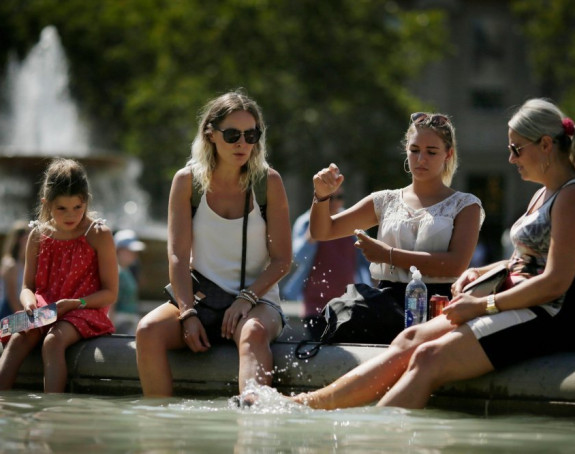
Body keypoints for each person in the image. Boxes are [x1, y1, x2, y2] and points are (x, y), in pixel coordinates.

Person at [291, 98, 575, 410]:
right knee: (409, 341)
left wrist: (483, 304)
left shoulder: (568, 195)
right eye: (414, 150)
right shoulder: (543, 193)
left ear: (546, 144)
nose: (510, 158)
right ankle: (308, 405)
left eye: (516, 148)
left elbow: (556, 281)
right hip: (508, 300)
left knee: (427, 357)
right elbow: (528, 260)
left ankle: (373, 436)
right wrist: (483, 273)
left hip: (545, 313)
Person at [136, 90, 292, 398]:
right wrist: (187, 312)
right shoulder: (186, 182)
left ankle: (253, 428)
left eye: (251, 135)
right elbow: (179, 257)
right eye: (232, 134)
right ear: (211, 134)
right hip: (202, 299)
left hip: (257, 301)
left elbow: (282, 259)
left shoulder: (268, 182)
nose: (242, 144)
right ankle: (160, 431)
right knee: (147, 331)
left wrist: (246, 298)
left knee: (253, 333)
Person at [0, 158, 118, 393]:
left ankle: (51, 410)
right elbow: (27, 287)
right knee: (18, 338)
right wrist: (29, 302)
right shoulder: (37, 235)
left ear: (85, 200)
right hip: (45, 309)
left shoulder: (97, 234)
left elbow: (110, 293)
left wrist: (76, 303)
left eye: (77, 207)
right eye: (61, 208)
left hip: (83, 309)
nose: (70, 215)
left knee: (53, 342)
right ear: (46, 204)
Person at [282, 188, 372, 339]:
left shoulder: (352, 221)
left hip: (347, 303)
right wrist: (316, 224)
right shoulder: (306, 222)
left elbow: (368, 261)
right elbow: (298, 256)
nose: (335, 202)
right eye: (329, 198)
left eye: (339, 197)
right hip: (315, 305)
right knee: (320, 348)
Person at [109, 229, 146, 335]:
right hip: (122, 324)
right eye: (130, 251)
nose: (135, 255)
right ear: (119, 250)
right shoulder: (117, 272)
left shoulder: (126, 271)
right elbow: (111, 303)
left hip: (129, 322)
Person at [0, 221, 30, 319]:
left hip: (22, 308)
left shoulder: (26, 263)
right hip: (9, 311)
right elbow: (11, 297)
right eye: (27, 237)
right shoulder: (10, 264)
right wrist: (25, 318)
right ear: (18, 239)